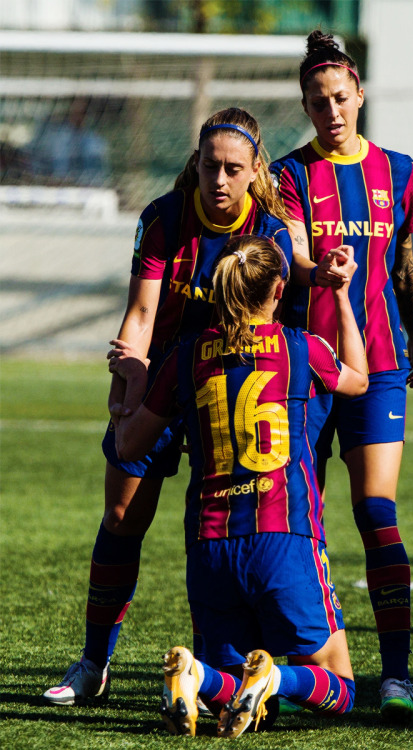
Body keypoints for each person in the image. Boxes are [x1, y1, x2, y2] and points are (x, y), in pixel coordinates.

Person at [43, 108, 294, 706]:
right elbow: (142, 314)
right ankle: (94, 664)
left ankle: (217, 675)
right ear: (197, 163)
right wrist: (124, 394)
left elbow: (272, 324)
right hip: (161, 378)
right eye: (212, 166)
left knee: (216, 532)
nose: (222, 179)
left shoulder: (271, 231)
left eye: (235, 168)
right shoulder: (163, 217)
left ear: (256, 169)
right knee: (122, 518)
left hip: (227, 390)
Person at [110, 234, 368, 738]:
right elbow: (358, 377)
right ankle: (274, 677)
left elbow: (127, 447)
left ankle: (196, 674)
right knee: (341, 688)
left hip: (210, 544)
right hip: (285, 536)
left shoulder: (184, 357)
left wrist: (134, 385)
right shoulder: (301, 348)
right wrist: (339, 293)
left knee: (229, 695)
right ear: (279, 288)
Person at [271, 30, 413, 720]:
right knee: (301, 520)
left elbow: (404, 264)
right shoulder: (290, 175)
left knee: (376, 510)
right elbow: (295, 257)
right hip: (310, 366)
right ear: (305, 106)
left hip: (385, 364)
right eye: (317, 101)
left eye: (340, 97)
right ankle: (312, 665)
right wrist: (317, 271)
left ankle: (397, 677)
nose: (331, 110)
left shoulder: (399, 169)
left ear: (359, 94)